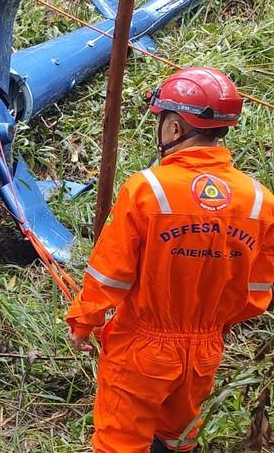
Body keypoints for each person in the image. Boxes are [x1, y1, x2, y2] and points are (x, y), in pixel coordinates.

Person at [66, 67, 274, 453]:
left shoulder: (147, 189)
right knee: (178, 439)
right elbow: (257, 289)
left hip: (142, 347)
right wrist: (213, 323)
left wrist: (83, 322)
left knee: (120, 443)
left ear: (175, 128)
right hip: (206, 349)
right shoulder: (260, 200)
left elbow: (110, 273)